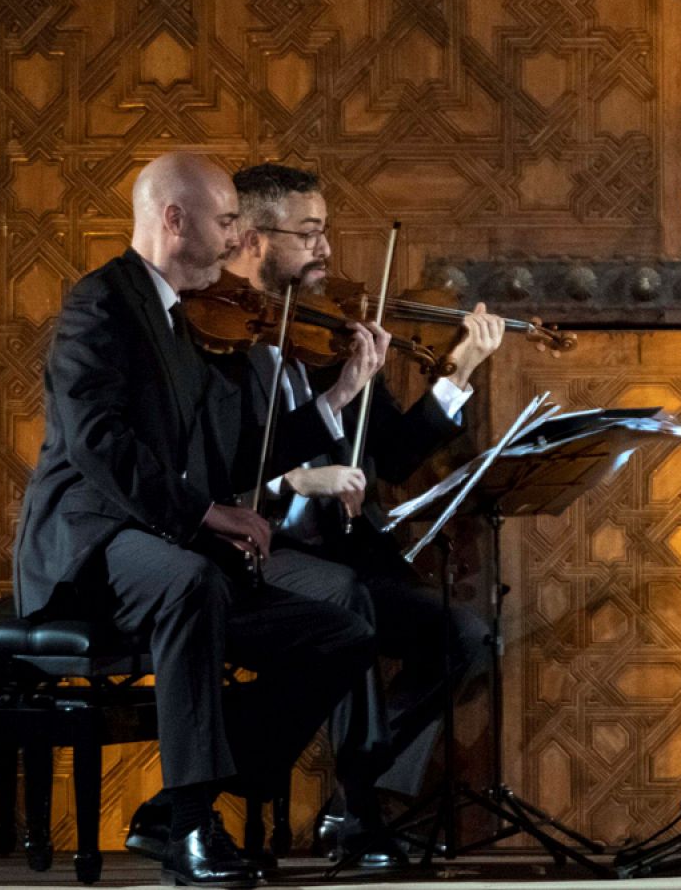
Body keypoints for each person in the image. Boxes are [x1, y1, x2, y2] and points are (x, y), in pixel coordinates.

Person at [12, 152, 386, 887]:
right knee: (190, 583)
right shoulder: (101, 303)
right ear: (174, 219)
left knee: (340, 633)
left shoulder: (186, 323)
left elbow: (235, 452)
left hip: (159, 541)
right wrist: (204, 514)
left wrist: (336, 399)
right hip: (89, 541)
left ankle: (181, 803)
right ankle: (188, 831)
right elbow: (97, 444)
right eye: (223, 222)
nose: (232, 239)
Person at [216, 162, 502, 864]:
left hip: (338, 557)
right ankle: (361, 807)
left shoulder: (328, 342)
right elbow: (213, 471)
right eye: (309, 234)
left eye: (326, 233)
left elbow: (397, 457)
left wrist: (458, 372)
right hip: (250, 561)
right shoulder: (217, 347)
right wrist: (295, 480)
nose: (326, 251)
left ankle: (354, 796)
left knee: (463, 636)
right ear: (252, 240)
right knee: (350, 602)